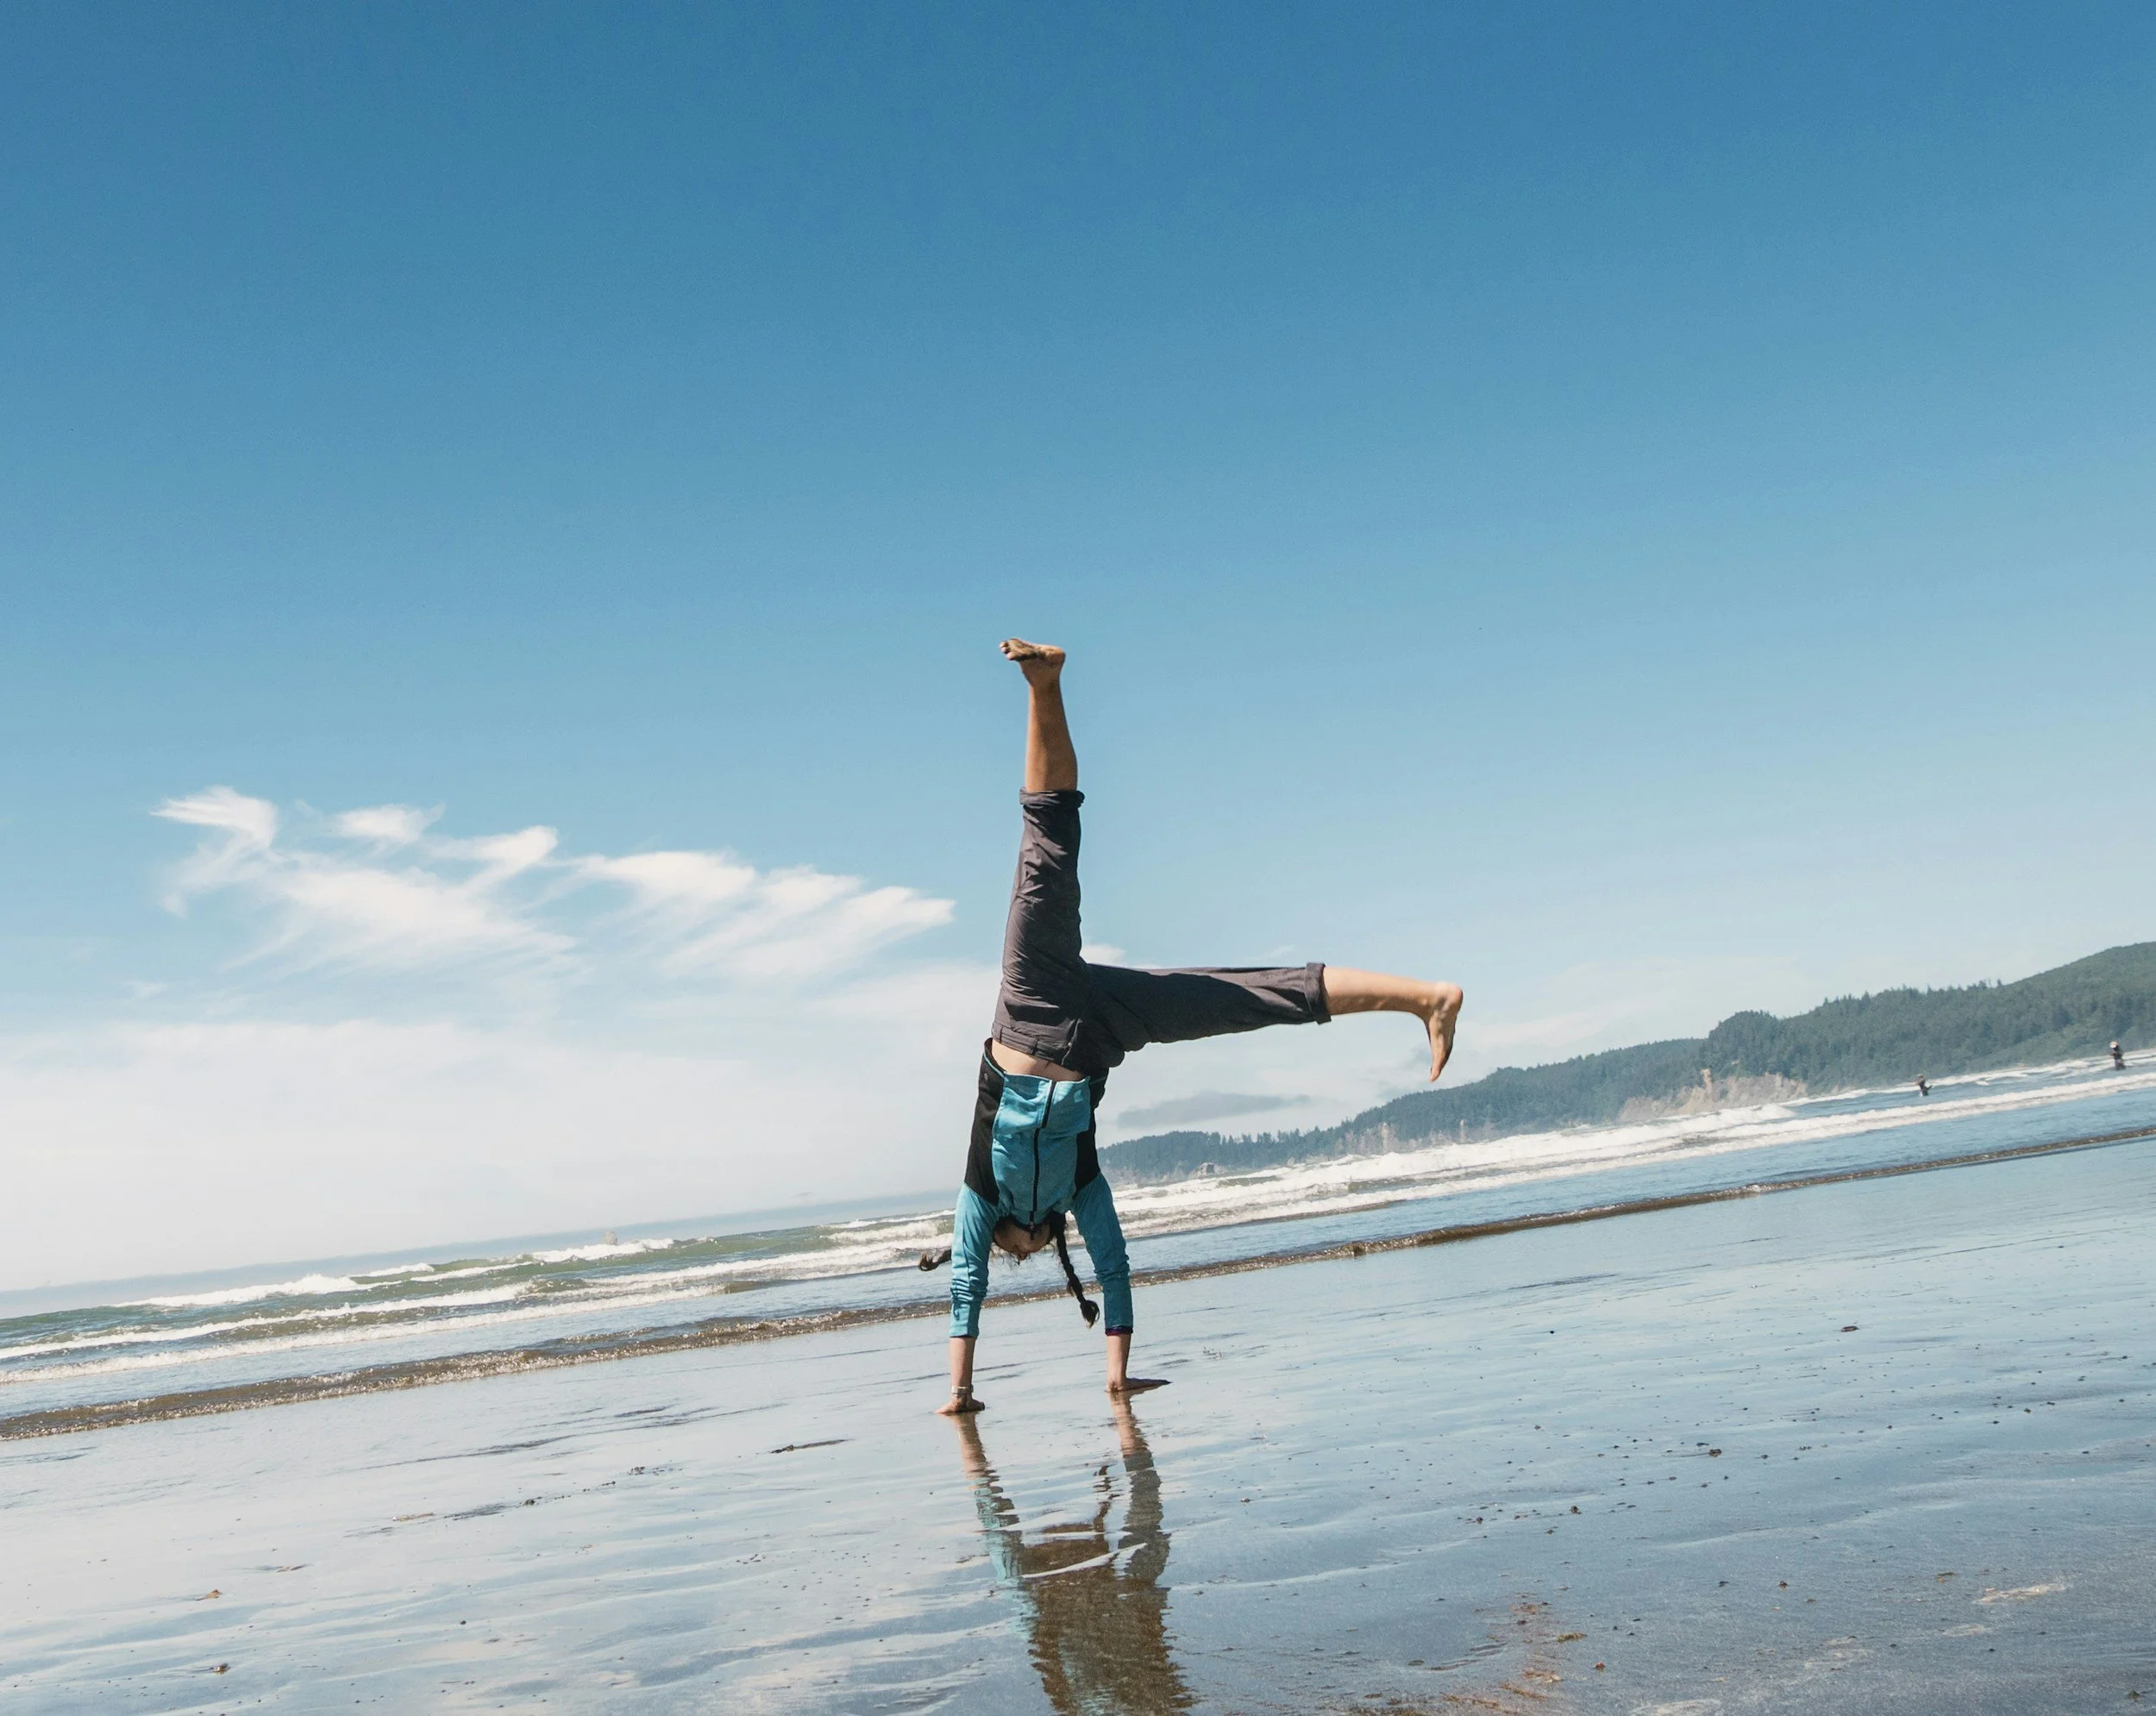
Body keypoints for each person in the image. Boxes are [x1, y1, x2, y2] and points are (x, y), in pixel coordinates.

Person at [931, 640, 1463, 1415]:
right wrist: (1116, 1378)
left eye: (1013, 1254)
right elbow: (1112, 1267)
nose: (1017, 1253)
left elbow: (964, 1284)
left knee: (1049, 846)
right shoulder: (1076, 1191)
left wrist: (960, 1391)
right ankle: (1426, 999)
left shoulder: (983, 1193)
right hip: (1094, 1036)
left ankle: (1045, 685)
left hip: (1034, 1007)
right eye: (1027, 1254)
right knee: (1241, 997)